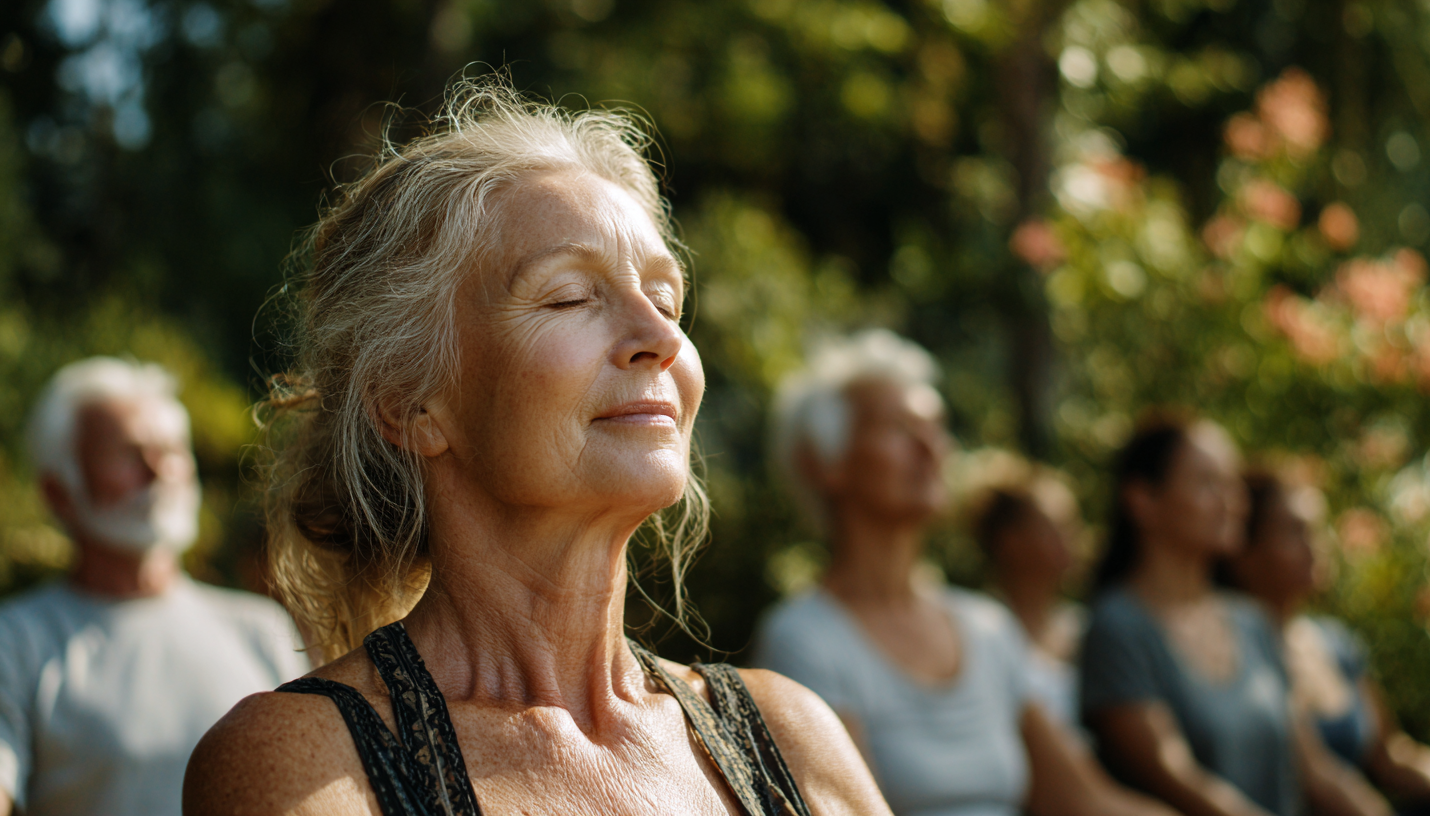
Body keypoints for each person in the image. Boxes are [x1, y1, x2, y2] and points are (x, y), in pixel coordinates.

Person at [182, 78, 887, 815]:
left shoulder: (787, 736)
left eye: (667, 299)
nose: (661, 338)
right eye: (570, 297)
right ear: (410, 402)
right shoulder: (307, 759)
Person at [754, 329, 1177, 816]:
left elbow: (1084, 798)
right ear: (826, 464)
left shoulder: (988, 626)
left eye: (936, 426)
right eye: (898, 429)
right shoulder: (803, 639)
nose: (931, 447)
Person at [0, 357, 309, 816]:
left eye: (171, 450)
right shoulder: (16, 641)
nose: (159, 470)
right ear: (58, 491)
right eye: (129, 454)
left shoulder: (262, 629)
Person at [1080, 414, 1391, 816]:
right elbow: (1174, 778)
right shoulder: (1118, 627)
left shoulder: (1251, 622)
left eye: (1233, 484)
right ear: (1143, 500)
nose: (1234, 501)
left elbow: (1316, 772)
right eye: (1208, 483)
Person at [1224, 470, 1430, 812]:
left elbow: (1391, 754)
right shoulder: (1239, 648)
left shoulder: (1333, 641)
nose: (1316, 544)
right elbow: (1320, 779)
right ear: (1244, 550)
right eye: (1295, 531)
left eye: (1318, 529)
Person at [966, 463, 1086, 731]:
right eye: (1053, 528)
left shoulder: (1084, 627)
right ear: (1009, 541)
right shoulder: (976, 632)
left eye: (1071, 527)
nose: (1070, 538)